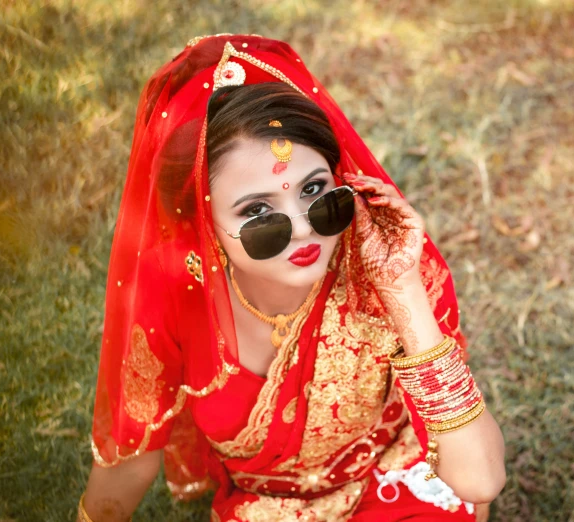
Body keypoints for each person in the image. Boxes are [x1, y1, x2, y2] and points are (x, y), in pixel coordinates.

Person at [78, 35, 505, 522]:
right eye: (258, 210)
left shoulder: (384, 265)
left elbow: (480, 479)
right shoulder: (174, 295)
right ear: (200, 223)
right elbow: (129, 466)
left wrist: (402, 290)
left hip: (395, 479)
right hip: (269, 510)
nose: (304, 227)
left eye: (316, 191)